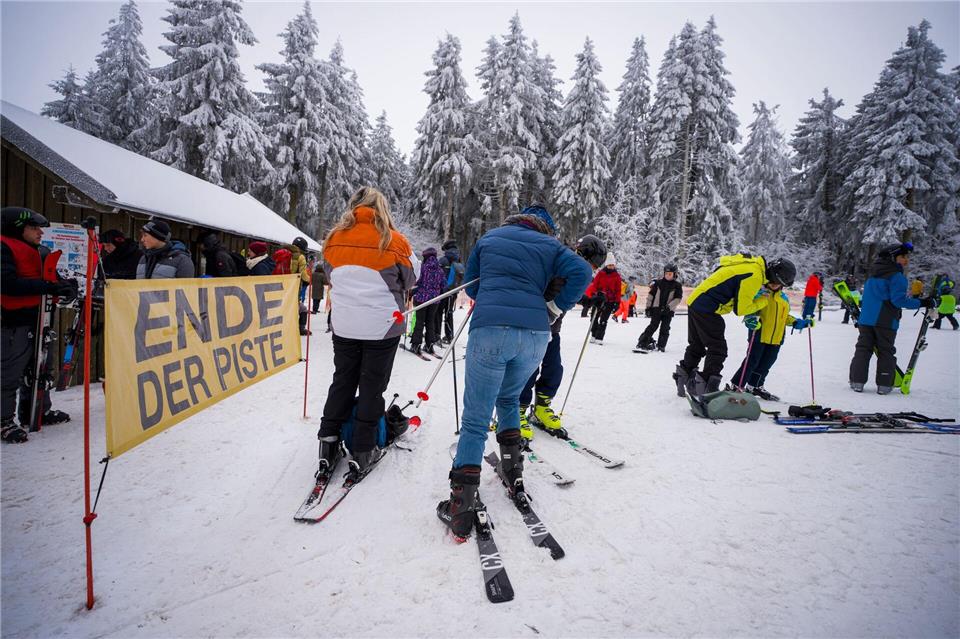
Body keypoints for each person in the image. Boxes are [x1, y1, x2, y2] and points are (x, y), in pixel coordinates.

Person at [436, 207, 591, 541]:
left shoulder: (490, 238)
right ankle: (513, 471)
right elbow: (582, 271)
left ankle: (460, 509)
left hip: (491, 329)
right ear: (544, 228)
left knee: (477, 417)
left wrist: (494, 291)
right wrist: (553, 306)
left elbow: (472, 286)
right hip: (535, 335)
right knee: (509, 399)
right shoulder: (552, 246)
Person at [317, 186, 419, 477]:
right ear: (381, 208)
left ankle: (328, 441)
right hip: (382, 326)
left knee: (343, 380)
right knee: (372, 385)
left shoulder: (333, 238)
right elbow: (412, 278)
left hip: (345, 323)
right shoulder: (394, 240)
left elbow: (329, 272)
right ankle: (363, 449)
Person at [518, 210, 606, 442]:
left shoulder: (572, 268)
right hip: (535, 328)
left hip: (552, 330)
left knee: (554, 369)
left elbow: (568, 293)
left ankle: (541, 407)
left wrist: (589, 299)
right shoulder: (562, 263)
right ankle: (517, 410)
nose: (594, 270)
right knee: (529, 370)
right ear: (583, 255)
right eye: (594, 265)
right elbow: (554, 289)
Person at [1, 207, 78, 443]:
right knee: (9, 373)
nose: (40, 233)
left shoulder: (39, 251)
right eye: (34, 228)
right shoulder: (4, 247)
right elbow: (7, 283)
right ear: (17, 228)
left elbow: (51, 277)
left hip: (39, 319)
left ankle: (36, 410)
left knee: (41, 368)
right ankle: (3, 420)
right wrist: (46, 288)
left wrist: (67, 286)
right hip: (13, 323)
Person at [674, 254, 795, 397]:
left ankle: (683, 380)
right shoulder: (754, 275)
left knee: (697, 345)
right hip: (707, 307)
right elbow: (741, 309)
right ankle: (707, 390)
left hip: (696, 301)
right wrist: (763, 300)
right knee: (718, 348)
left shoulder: (751, 267)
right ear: (776, 277)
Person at [848, 242, 936, 394]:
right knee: (886, 351)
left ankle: (857, 382)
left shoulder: (873, 274)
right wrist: (923, 302)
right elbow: (899, 301)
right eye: (903, 257)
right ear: (892, 258)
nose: (906, 260)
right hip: (885, 320)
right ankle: (884, 385)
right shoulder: (897, 277)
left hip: (866, 319)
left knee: (863, 349)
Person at [730, 287, 813, 400]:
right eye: (772, 281)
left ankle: (755, 386)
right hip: (759, 334)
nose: (775, 284)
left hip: (776, 337)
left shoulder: (783, 298)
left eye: (778, 282)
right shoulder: (759, 294)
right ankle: (736, 385)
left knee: (766, 364)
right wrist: (750, 320)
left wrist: (796, 322)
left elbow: (784, 317)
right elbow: (750, 311)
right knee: (751, 361)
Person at [635, 264, 684, 352]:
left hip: (668, 311)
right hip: (656, 309)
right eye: (666, 273)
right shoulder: (658, 283)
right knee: (653, 326)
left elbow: (678, 299)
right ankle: (643, 342)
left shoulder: (677, 285)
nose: (668, 275)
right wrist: (648, 308)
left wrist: (669, 307)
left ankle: (661, 346)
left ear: (675, 274)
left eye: (670, 274)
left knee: (665, 328)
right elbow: (651, 295)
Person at [409, 247, 446, 356]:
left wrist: (414, 291)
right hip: (434, 300)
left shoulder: (423, 268)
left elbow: (417, 282)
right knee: (430, 321)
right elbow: (444, 284)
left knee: (419, 322)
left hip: (421, 299)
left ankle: (416, 345)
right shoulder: (440, 270)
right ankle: (429, 344)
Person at [588, 254, 622, 345]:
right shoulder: (601, 273)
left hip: (609, 301)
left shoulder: (617, 276)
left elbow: (618, 290)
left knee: (603, 320)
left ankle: (599, 337)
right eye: (609, 265)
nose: (611, 267)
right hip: (599, 299)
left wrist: (617, 302)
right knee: (594, 318)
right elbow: (594, 285)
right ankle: (593, 335)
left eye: (612, 265)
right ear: (606, 265)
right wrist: (594, 294)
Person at [436, 240, 465, 344]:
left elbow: (438, 276)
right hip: (453, 291)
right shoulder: (458, 259)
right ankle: (449, 336)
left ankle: (436, 336)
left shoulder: (443, 260)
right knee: (449, 313)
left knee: (438, 313)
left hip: (443, 292)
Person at [290, 236, 311, 304]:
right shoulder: (300, 257)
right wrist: (309, 279)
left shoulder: (285, 252)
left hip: (281, 284)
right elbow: (303, 274)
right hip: (293, 286)